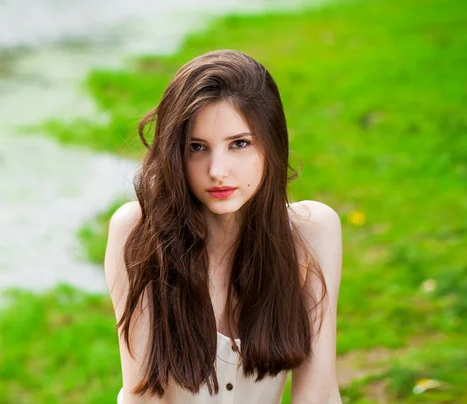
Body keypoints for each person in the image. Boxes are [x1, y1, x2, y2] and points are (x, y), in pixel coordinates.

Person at [104, 49, 343, 403]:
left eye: (239, 144)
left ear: (271, 145)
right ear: (175, 154)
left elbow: (318, 393)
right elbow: (143, 395)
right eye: (197, 148)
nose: (217, 170)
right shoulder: (139, 233)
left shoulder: (311, 233)